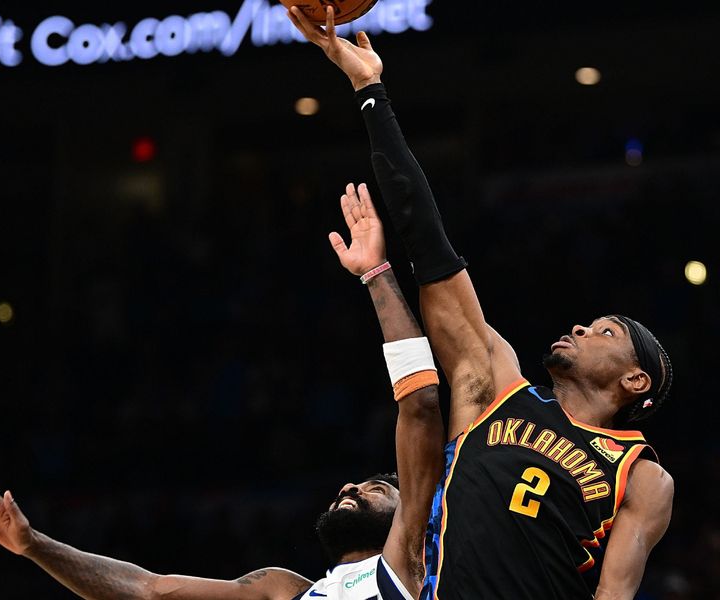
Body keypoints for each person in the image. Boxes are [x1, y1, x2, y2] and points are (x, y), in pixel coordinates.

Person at [287, 7, 675, 600]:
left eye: (604, 332)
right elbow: (429, 243)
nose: (580, 326)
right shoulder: (491, 386)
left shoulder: (641, 476)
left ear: (636, 378)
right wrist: (370, 90)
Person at [0, 183, 445, 600]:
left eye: (377, 489)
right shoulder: (282, 589)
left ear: (410, 515)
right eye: (360, 484)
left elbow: (420, 405)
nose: (349, 487)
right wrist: (33, 545)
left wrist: (377, 274)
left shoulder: (407, 564)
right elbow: (148, 590)